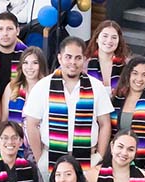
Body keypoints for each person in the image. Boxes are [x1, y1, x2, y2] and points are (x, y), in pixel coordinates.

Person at [24, 37, 114, 173]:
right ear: (60, 58)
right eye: (68, 57)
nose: (73, 62)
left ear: (84, 59)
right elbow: (32, 123)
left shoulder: (96, 86)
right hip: (51, 157)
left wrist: (100, 155)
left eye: (78, 58)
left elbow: (105, 123)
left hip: (87, 158)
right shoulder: (43, 86)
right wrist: (40, 157)